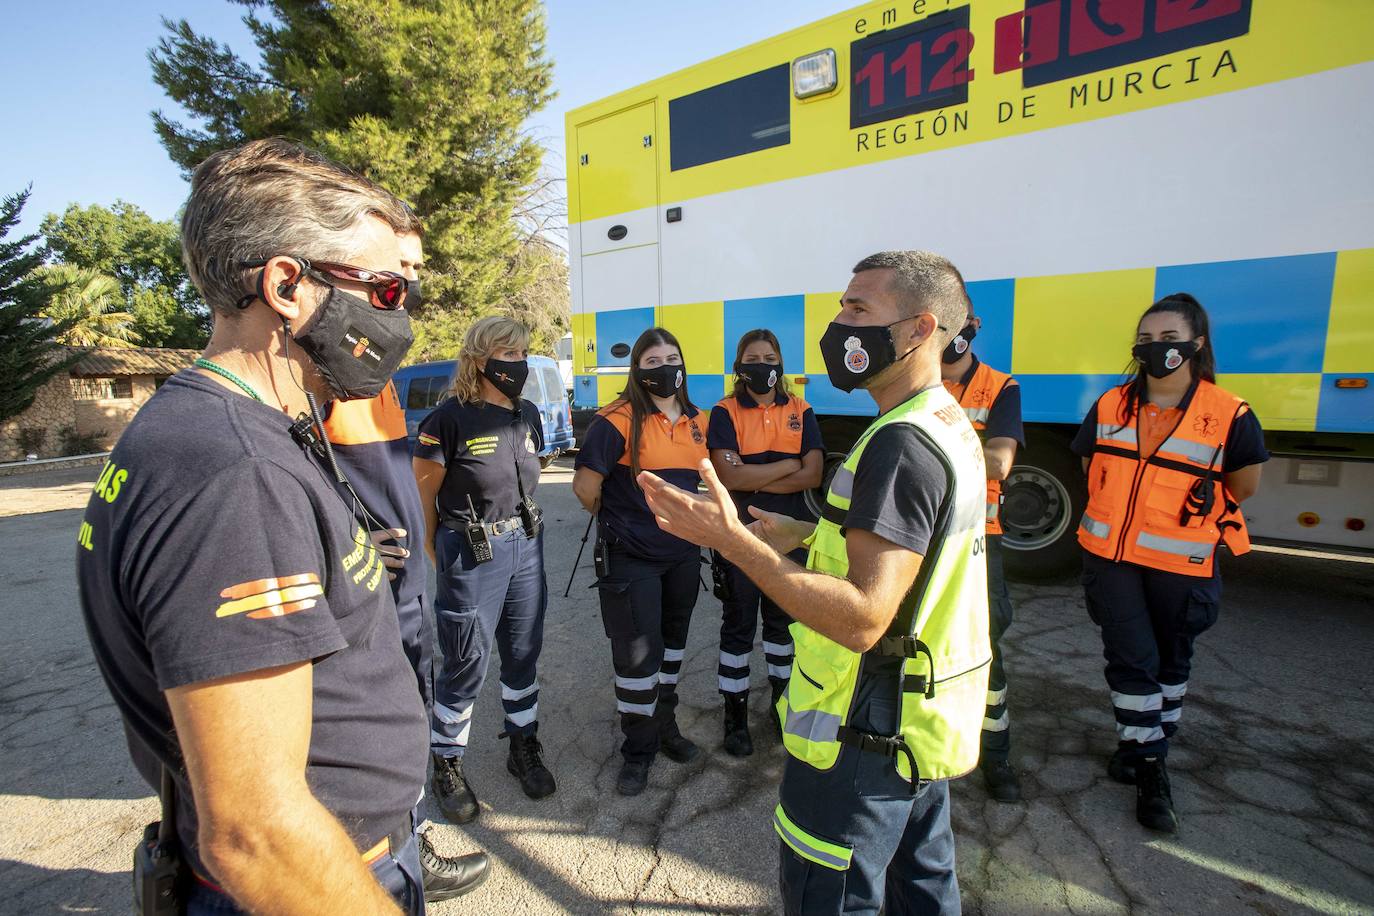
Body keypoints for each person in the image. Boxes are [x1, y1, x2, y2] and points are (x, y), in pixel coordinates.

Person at [77, 138, 435, 914]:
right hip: (317, 880)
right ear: (286, 285)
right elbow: (256, 834)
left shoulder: (235, 429)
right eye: (383, 290)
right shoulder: (234, 471)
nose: (398, 317)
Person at [637, 251, 990, 915]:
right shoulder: (942, 421)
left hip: (863, 733)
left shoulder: (900, 445)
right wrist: (801, 535)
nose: (840, 324)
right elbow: (915, 558)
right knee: (922, 892)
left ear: (920, 329)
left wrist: (734, 542)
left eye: (858, 308)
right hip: (914, 723)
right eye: (842, 307)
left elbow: (863, 617)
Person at [322, 221, 488, 899]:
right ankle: (378, 866)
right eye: (397, 271)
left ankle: (410, 843)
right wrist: (346, 539)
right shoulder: (321, 370)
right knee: (366, 732)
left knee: (408, 712)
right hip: (363, 592)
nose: (410, 287)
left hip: (404, 588)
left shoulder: (372, 369)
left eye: (416, 272)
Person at [1073, 292, 1267, 833]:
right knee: (1131, 659)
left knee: (1171, 662)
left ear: (1196, 344)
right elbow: (1091, 468)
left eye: (1169, 338)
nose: (1155, 348)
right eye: (1146, 338)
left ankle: (1140, 744)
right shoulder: (1111, 404)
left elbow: (1243, 486)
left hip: (1181, 562)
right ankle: (1151, 768)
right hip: (1111, 558)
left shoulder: (1229, 413)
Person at [412, 315, 557, 823]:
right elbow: (423, 496)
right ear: (479, 359)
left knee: (522, 653)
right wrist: (437, 550)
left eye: (522, 353)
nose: (518, 363)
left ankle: (523, 746)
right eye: (507, 354)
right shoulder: (448, 420)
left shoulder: (527, 414)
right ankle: (447, 763)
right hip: (472, 550)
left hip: (526, 544)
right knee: (465, 660)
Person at [572, 328, 708, 797]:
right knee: (636, 660)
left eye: (672, 359)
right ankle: (638, 751)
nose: (665, 368)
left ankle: (665, 727)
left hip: (683, 556)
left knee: (672, 650)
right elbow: (585, 488)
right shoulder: (616, 420)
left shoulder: (697, 419)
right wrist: (626, 522)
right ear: (636, 370)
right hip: (632, 560)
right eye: (652, 362)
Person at [708, 329, 823, 756]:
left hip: (789, 537)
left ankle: (781, 703)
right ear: (740, 367)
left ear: (780, 363)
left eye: (769, 358)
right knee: (738, 626)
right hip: (741, 536)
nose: (762, 366)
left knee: (782, 627)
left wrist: (754, 475)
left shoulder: (801, 409)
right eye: (752, 359)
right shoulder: (724, 412)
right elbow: (729, 476)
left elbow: (814, 475)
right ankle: (734, 715)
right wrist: (789, 464)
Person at [938, 305, 1025, 802]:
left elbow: (999, 462)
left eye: (964, 320)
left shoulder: (1000, 387)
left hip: (976, 534)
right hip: (924, 532)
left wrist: (930, 444)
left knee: (985, 646)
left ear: (975, 326)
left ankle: (996, 755)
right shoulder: (917, 381)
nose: (957, 330)